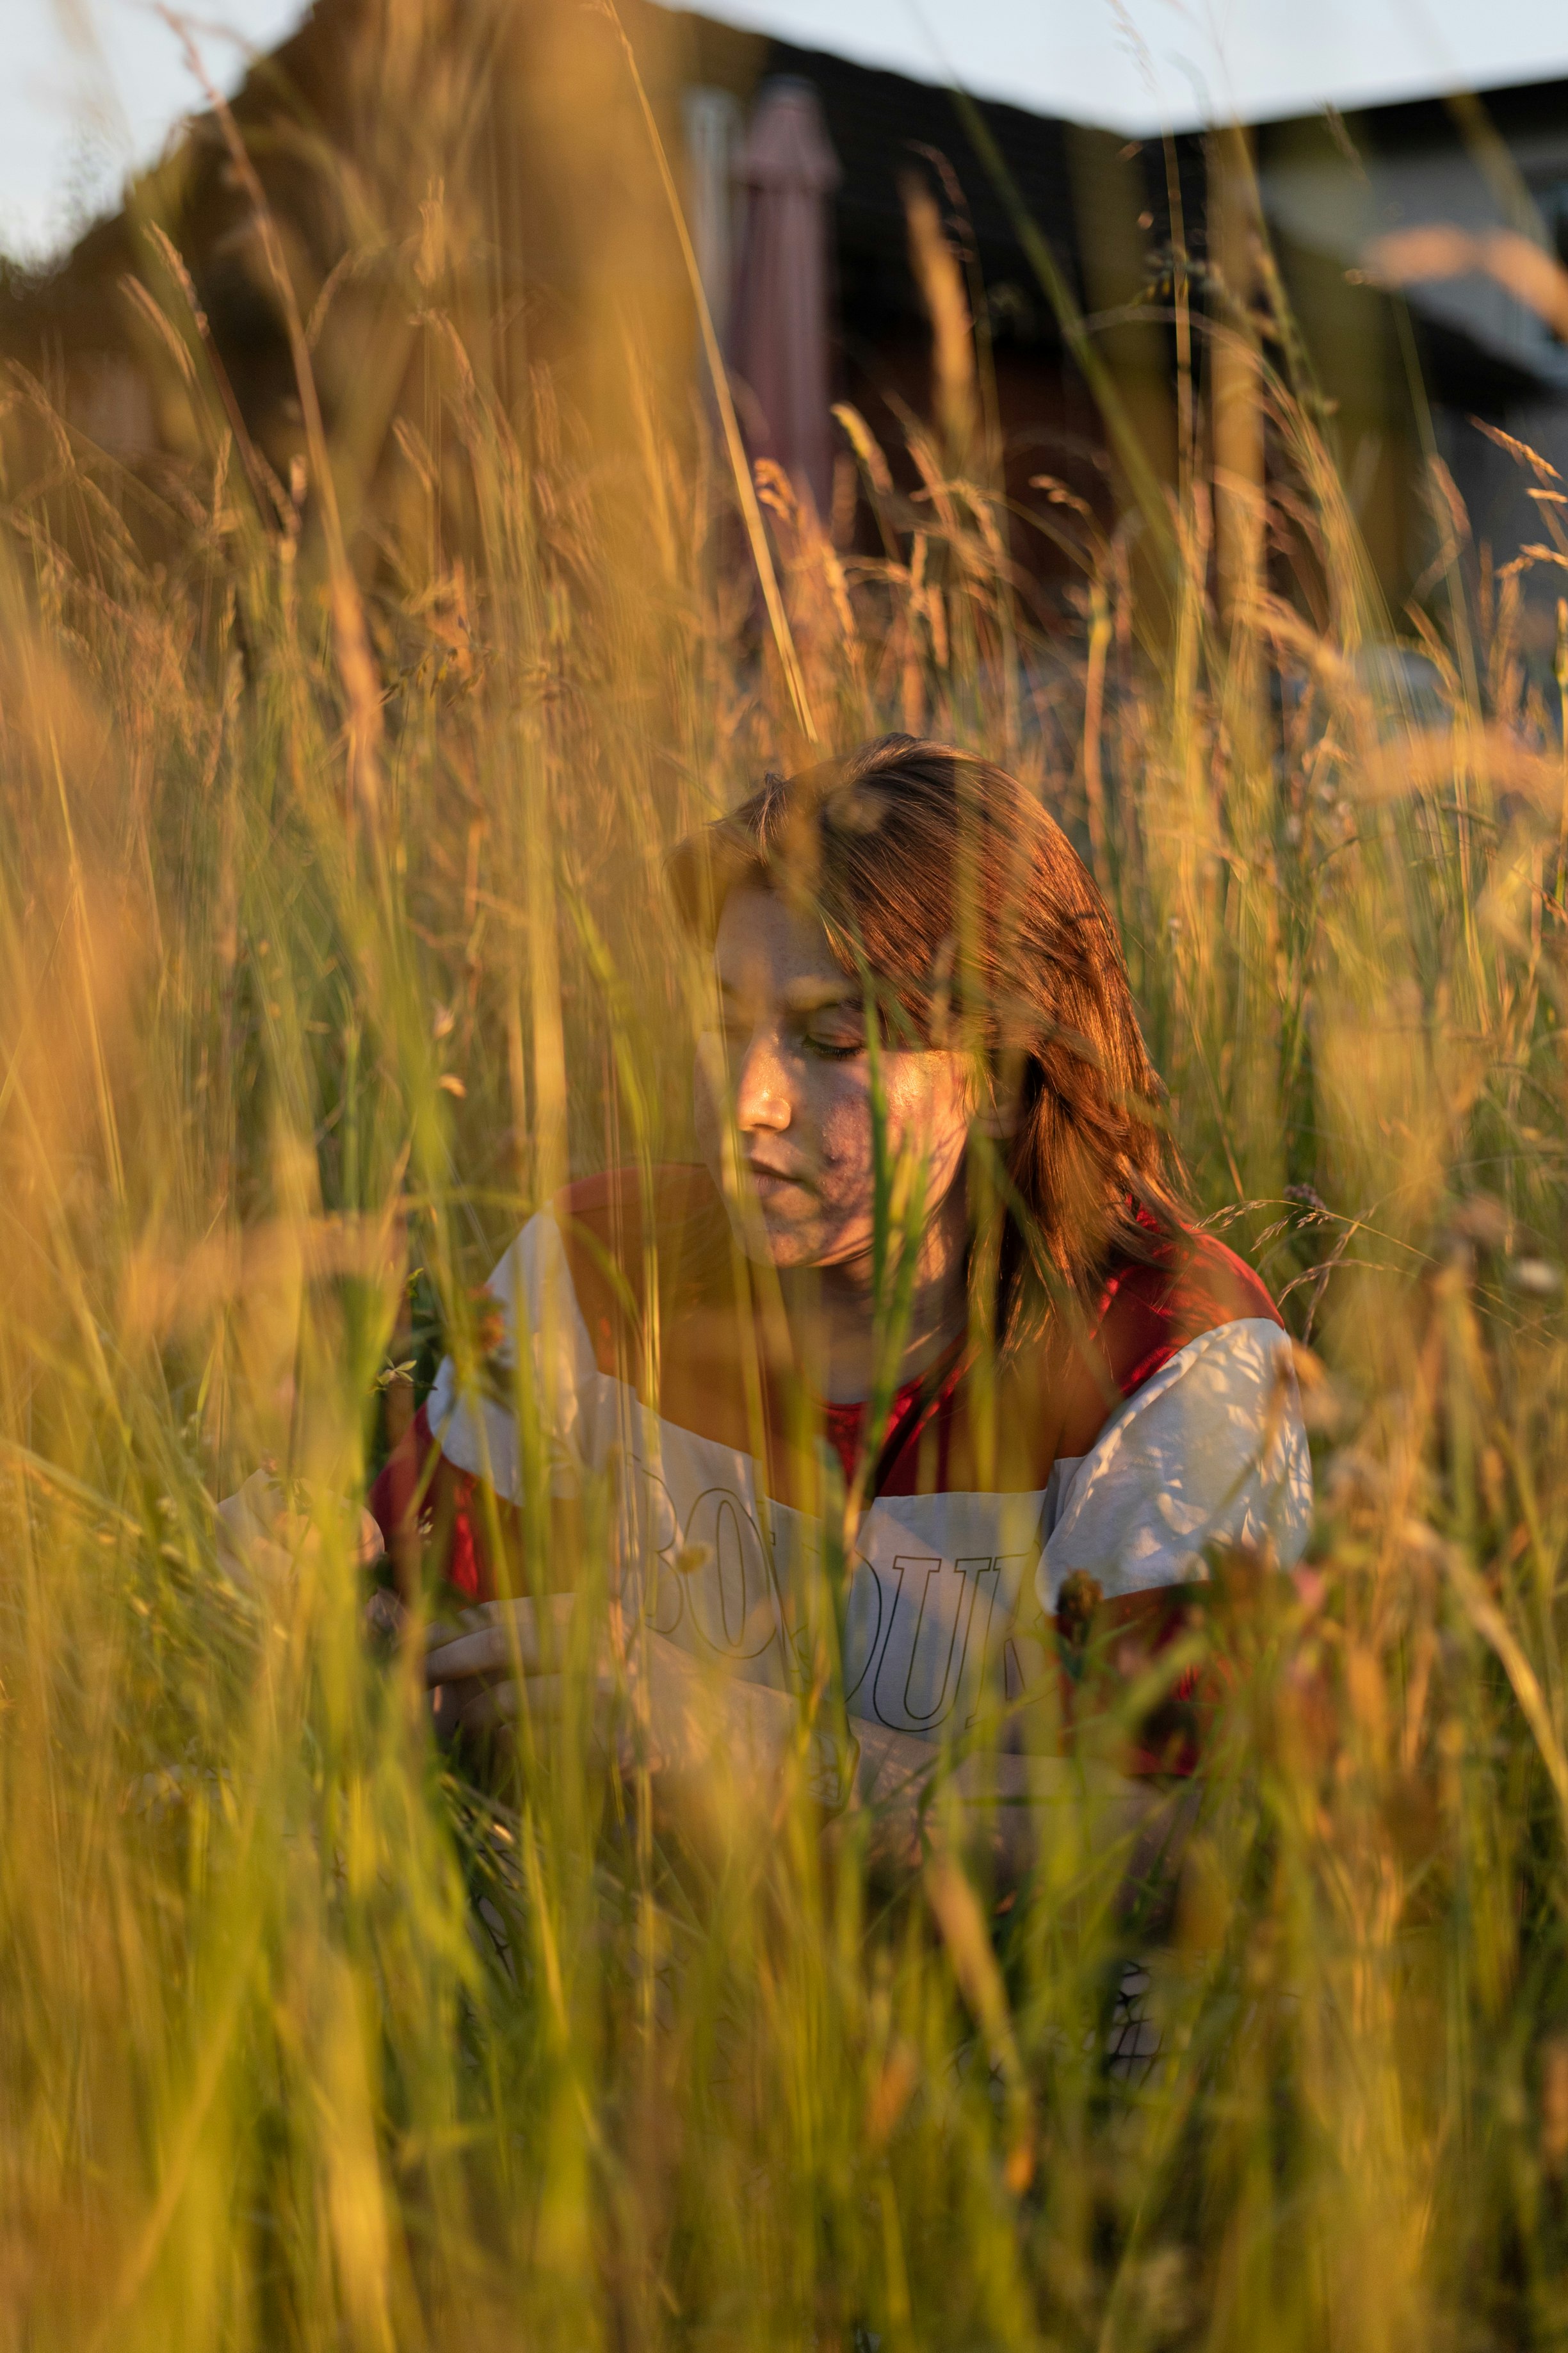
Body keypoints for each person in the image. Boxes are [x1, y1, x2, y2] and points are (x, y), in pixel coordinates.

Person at [369, 735, 1313, 1886]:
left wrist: (761, 1757)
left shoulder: (1174, 1359)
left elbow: (1208, 1850)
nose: (748, 1102)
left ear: (1008, 1077)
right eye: (725, 1026)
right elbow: (433, 1632)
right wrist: (318, 1611)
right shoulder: (589, 1273)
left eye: (832, 1038)